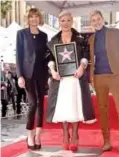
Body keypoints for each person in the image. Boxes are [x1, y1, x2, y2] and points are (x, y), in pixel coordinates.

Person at [46, 11, 96, 152]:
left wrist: (82, 67)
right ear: (59, 22)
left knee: (75, 106)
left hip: (75, 78)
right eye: (63, 20)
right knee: (63, 107)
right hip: (60, 80)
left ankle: (74, 134)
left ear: (72, 21)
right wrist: (53, 71)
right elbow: (50, 59)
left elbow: (86, 55)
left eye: (68, 20)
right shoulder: (53, 41)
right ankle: (65, 135)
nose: (65, 23)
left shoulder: (80, 39)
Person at [88, 10, 119, 153]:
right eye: (93, 20)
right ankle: (106, 141)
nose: (96, 22)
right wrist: (91, 78)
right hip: (99, 77)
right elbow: (90, 60)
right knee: (102, 110)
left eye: (98, 19)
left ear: (103, 19)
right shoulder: (91, 39)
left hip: (115, 75)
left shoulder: (115, 32)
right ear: (91, 23)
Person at [16, 8, 50, 150]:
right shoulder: (21, 34)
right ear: (28, 19)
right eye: (31, 17)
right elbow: (19, 55)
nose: (34, 19)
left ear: (39, 19)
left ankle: (38, 135)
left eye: (36, 16)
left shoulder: (44, 36)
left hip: (41, 75)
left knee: (40, 104)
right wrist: (19, 75)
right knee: (33, 104)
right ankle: (29, 134)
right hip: (27, 75)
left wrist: (50, 72)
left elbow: (45, 57)